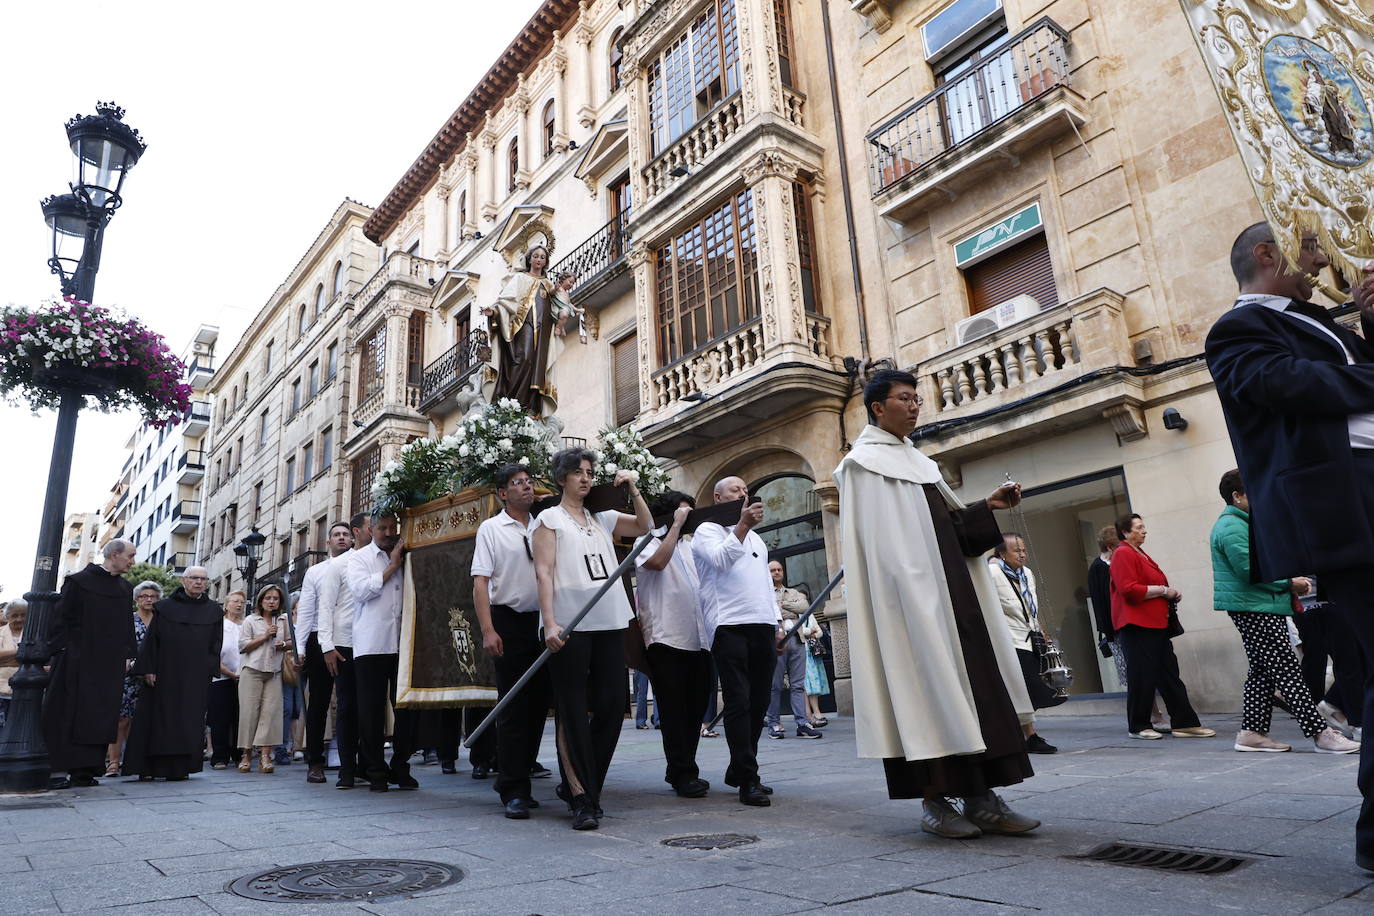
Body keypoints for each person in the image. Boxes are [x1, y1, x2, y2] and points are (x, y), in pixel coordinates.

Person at [1206, 223, 1374, 869]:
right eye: (1313, 249)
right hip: (1341, 509)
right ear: (1267, 254)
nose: (1324, 262)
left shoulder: (1334, 325)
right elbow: (1286, 385)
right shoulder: (1239, 328)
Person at [834, 369, 1040, 839]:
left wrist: (986, 507)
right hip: (908, 608)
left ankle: (984, 798)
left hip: (956, 599)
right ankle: (935, 803)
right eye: (904, 399)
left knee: (980, 693)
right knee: (924, 695)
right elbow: (879, 551)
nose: (914, 406)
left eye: (916, 399)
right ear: (877, 408)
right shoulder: (862, 467)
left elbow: (955, 534)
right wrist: (911, 593)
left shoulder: (921, 464)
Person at [533, 448, 652, 829]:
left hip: (609, 620)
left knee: (613, 703)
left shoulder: (602, 517)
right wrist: (549, 624)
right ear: (561, 478)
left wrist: (633, 489)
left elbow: (646, 528)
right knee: (572, 710)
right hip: (569, 624)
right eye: (577, 473)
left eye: (588, 472)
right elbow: (544, 574)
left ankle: (583, 783)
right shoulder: (549, 519)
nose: (585, 478)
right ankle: (582, 796)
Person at [1209, 468, 1359, 754]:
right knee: (1287, 669)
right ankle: (1320, 734)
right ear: (1236, 496)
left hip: (1257, 605)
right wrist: (1289, 583)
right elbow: (1250, 571)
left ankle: (1251, 733)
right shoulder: (1231, 525)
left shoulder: (1242, 523)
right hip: (1255, 607)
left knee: (1262, 671)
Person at [694, 476, 783, 808]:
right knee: (739, 701)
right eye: (736, 491)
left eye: (746, 491)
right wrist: (742, 526)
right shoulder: (707, 530)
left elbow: (763, 584)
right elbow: (720, 560)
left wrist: (776, 623)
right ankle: (748, 778)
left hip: (761, 623)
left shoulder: (758, 539)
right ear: (719, 497)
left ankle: (742, 766)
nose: (744, 495)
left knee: (759, 702)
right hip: (728, 625)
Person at [472, 465, 548, 816]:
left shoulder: (545, 523)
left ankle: (517, 775)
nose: (527, 488)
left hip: (544, 621)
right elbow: (481, 583)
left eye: (529, 482)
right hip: (509, 621)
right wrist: (489, 629)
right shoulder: (491, 528)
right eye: (518, 483)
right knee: (514, 706)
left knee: (537, 707)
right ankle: (513, 789)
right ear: (503, 493)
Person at [635, 491, 714, 798]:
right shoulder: (649, 541)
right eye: (683, 513)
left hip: (699, 638)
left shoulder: (692, 546)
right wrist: (674, 528)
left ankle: (684, 767)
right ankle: (682, 773)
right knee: (674, 711)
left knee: (695, 708)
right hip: (666, 637)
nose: (688, 519)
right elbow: (656, 563)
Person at [43, 539, 138, 788]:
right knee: (69, 712)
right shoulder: (78, 582)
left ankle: (85, 771)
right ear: (114, 555)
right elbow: (61, 618)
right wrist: (59, 652)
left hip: (109, 663)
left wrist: (129, 654)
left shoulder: (125, 587)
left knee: (101, 715)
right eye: (130, 556)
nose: (132, 561)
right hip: (77, 659)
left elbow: (126, 623)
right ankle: (59, 770)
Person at [1109, 514, 1213, 741]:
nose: (1144, 531)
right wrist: (1164, 591)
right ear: (1125, 532)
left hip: (1155, 624)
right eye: (1139, 528)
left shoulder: (1140, 553)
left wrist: (1167, 593)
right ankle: (1138, 725)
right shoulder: (1123, 553)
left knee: (1169, 674)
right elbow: (1129, 589)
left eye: (1144, 526)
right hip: (1137, 626)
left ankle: (1185, 723)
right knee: (1142, 676)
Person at [123, 567, 223, 781]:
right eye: (194, 578)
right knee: (159, 719)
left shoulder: (214, 610)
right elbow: (152, 640)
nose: (198, 582)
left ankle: (180, 768)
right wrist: (149, 667)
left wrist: (209, 669)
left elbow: (216, 643)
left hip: (195, 676)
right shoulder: (165, 607)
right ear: (184, 580)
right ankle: (150, 767)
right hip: (164, 673)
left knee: (189, 721)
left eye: (203, 579)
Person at [348, 512, 417, 792]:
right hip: (371, 645)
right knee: (371, 712)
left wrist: (401, 559)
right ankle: (375, 770)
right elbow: (362, 591)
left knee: (406, 710)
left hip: (404, 644)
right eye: (383, 528)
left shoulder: (407, 553)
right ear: (370, 529)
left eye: (392, 528)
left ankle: (401, 767)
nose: (389, 533)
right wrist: (392, 566)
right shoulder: (359, 558)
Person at [991, 534, 1063, 755]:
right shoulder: (992, 573)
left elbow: (1029, 607)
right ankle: (1029, 735)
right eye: (1016, 550)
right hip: (1009, 640)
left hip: (1031, 638)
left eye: (1024, 550)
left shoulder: (1027, 574)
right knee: (1022, 689)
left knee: (1034, 689)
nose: (1022, 554)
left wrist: (1041, 631)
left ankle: (1025, 735)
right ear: (1002, 553)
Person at [297, 521, 353, 783]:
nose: (342, 538)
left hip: (350, 640)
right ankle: (315, 762)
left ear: (352, 540)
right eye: (336, 535)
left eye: (346, 534)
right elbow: (307, 609)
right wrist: (299, 648)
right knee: (318, 703)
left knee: (350, 703)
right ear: (327, 542)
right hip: (318, 639)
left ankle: (350, 762)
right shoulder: (316, 572)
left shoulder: (358, 565)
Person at [318, 512, 370, 789]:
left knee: (370, 708)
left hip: (373, 642)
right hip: (344, 643)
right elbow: (326, 606)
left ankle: (368, 765)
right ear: (356, 532)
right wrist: (327, 646)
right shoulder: (339, 565)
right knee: (348, 707)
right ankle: (347, 768)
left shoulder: (380, 560)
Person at [484, 244, 561, 415]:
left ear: (546, 261)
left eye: (542, 257)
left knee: (537, 366)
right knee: (523, 358)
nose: (538, 259)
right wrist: (494, 312)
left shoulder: (549, 284)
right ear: (529, 258)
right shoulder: (520, 279)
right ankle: (512, 402)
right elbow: (505, 301)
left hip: (543, 331)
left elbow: (560, 305)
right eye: (535, 256)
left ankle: (530, 407)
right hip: (522, 326)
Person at [105, 581, 161, 776]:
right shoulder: (128, 620)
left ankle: (138, 762)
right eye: (144, 596)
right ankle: (113, 761)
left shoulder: (162, 620)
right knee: (122, 719)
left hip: (155, 675)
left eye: (153, 596)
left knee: (146, 720)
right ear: (136, 599)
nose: (149, 599)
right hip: (129, 675)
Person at [237, 585, 292, 773]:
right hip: (252, 670)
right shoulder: (251, 620)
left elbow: (293, 642)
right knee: (249, 713)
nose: (271, 601)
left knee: (270, 715)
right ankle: (246, 754)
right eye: (268, 598)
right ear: (261, 600)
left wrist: (282, 643)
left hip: (274, 672)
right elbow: (243, 646)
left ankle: (265, 756)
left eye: (275, 598)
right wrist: (265, 636)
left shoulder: (284, 620)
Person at [765, 561, 822, 740]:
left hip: (797, 640)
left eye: (779, 569)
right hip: (777, 641)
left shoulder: (794, 592)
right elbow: (768, 611)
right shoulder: (763, 593)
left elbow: (804, 607)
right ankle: (773, 722)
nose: (776, 572)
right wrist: (789, 607)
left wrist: (782, 606)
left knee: (798, 685)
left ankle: (802, 723)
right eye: (772, 570)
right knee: (774, 685)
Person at [207, 590, 245, 771]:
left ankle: (238, 755)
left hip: (245, 679)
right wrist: (230, 673)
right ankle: (220, 756)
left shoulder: (246, 625)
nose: (238, 605)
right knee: (220, 719)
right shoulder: (219, 626)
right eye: (235, 601)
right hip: (221, 678)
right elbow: (212, 655)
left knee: (240, 718)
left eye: (242, 602)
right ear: (226, 604)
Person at [0, 599, 26, 730]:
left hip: (24, 691)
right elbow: (27, 658)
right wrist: (21, 653)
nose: (19, 619)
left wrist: (5, 661)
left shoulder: (33, 633)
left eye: (23, 615)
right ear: (7, 616)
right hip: (1, 690)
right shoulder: (1, 633)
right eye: (15, 615)